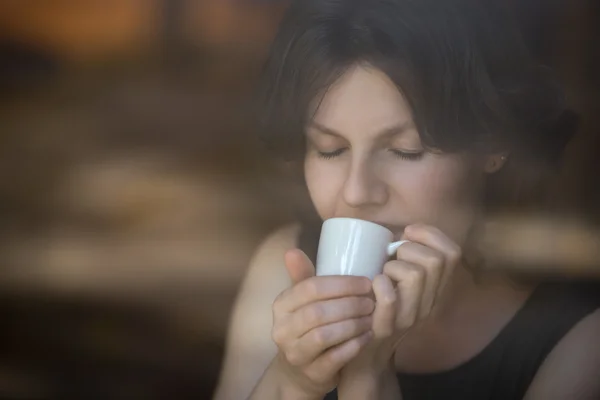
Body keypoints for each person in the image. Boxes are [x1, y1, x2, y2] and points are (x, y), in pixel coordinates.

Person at [214, 0, 600, 399]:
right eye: (329, 149)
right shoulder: (285, 274)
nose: (357, 192)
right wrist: (294, 380)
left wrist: (369, 374)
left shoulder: (579, 341)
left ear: (493, 142)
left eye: (405, 150)